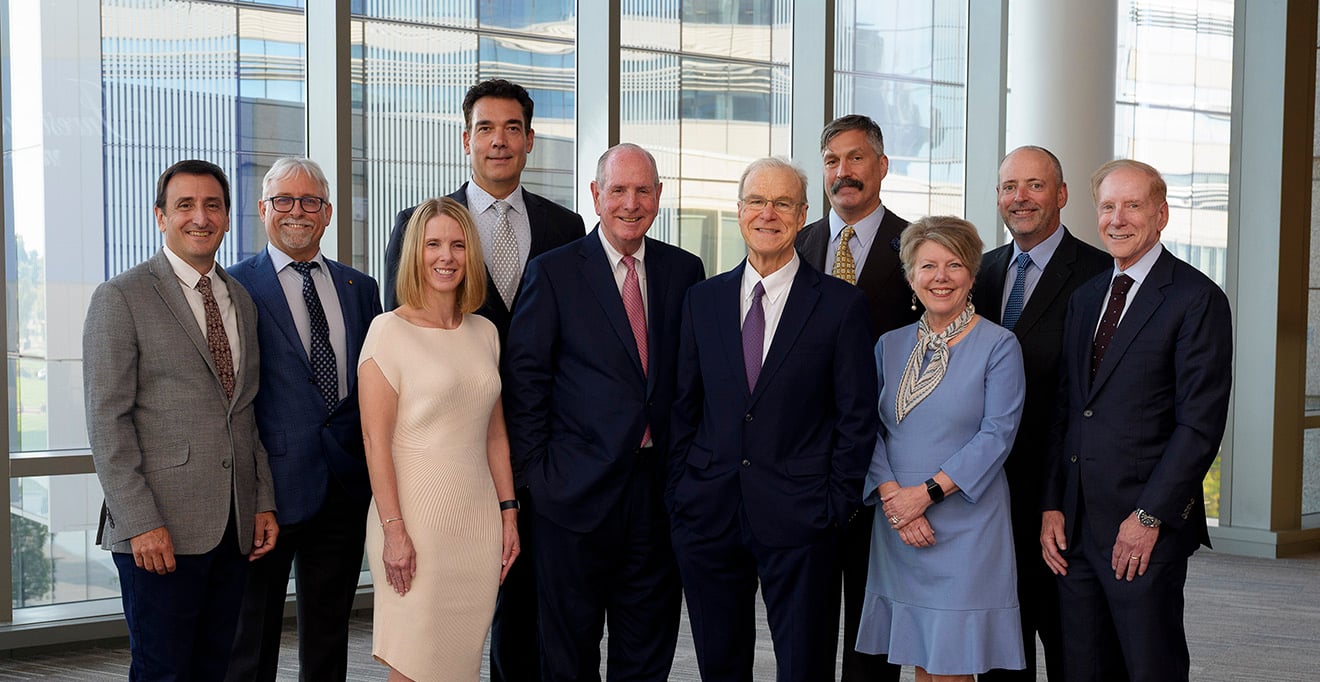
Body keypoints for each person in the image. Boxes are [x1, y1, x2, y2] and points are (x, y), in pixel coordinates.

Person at [382, 79, 584, 681]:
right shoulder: (419, 225)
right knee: (441, 622)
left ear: (529, 141)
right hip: (447, 458)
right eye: (486, 129)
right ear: (466, 138)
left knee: (531, 608)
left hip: (543, 448)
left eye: (513, 129)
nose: (500, 141)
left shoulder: (566, 226)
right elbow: (397, 340)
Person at [669, 157, 878, 682]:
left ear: (803, 214)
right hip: (709, 513)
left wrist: (835, 507)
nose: (769, 213)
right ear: (739, 212)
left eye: (783, 202)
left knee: (804, 667)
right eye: (757, 201)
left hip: (804, 518)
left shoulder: (841, 305)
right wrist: (681, 493)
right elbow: (683, 406)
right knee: (720, 665)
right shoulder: (703, 299)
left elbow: (856, 418)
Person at [505, 143, 704, 681]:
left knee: (648, 645)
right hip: (572, 494)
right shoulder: (553, 273)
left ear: (659, 197)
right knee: (567, 651)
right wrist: (538, 480)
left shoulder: (685, 271)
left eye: (643, 190)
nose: (630, 202)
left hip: (658, 495)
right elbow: (525, 383)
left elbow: (691, 383)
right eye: (618, 190)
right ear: (596, 196)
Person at [83, 159, 279, 680]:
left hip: (232, 528)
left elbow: (247, 410)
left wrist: (260, 501)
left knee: (215, 669)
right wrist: (140, 521)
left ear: (228, 218)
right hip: (159, 530)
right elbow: (108, 423)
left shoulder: (241, 299)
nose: (200, 216)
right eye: (184, 205)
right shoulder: (121, 297)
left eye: (212, 205)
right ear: (160, 217)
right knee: (161, 671)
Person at [1041, 159, 1232, 682]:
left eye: (1133, 205)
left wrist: (1148, 518)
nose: (1117, 219)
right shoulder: (1086, 299)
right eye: (1107, 206)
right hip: (1075, 531)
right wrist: (1054, 503)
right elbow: (1068, 410)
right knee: (1082, 668)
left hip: (1145, 531)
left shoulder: (1197, 300)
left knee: (1150, 667)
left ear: (1161, 214)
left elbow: (1199, 427)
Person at [226, 157, 382, 681]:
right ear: (263, 209)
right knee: (251, 637)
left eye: (310, 201)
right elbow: (232, 401)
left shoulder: (362, 289)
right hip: (266, 492)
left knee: (329, 632)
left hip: (341, 487)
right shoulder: (233, 287)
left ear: (328, 212)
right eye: (284, 201)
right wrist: (252, 490)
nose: (298, 212)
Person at [857, 215, 1026, 681]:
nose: (941, 277)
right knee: (922, 656)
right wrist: (895, 499)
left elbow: (997, 435)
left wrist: (924, 496)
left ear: (972, 275)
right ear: (911, 276)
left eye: (954, 265)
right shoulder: (888, 346)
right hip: (898, 525)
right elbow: (865, 429)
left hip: (966, 527)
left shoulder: (999, 345)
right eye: (928, 266)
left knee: (953, 661)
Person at [359, 197, 519, 680]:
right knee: (414, 664)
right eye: (433, 245)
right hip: (413, 525)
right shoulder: (386, 332)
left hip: (477, 524)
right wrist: (394, 532)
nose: (445, 256)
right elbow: (374, 441)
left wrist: (508, 515)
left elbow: (494, 436)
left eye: (457, 245)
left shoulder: (485, 332)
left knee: (459, 665)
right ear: (415, 253)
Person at [971, 146, 1111, 682]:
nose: (1020, 198)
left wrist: (1058, 496)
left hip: (1064, 499)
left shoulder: (1100, 275)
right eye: (1009, 187)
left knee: (1073, 647)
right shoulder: (980, 274)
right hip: (988, 494)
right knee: (1001, 650)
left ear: (1062, 195)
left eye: (1034, 185)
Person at [795, 113, 918, 682]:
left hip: (885, 464)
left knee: (874, 621)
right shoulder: (796, 244)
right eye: (831, 162)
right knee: (807, 616)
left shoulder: (918, 249)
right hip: (804, 465)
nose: (842, 173)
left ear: (882, 166)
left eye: (855, 159)